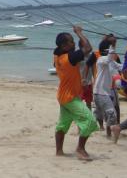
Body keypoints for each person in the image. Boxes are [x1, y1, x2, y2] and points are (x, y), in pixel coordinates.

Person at [53, 25, 98, 161]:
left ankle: (59, 151)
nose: (73, 43)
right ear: (64, 46)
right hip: (70, 98)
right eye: (71, 41)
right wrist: (79, 33)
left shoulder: (57, 56)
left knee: (63, 124)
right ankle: (80, 148)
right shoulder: (69, 58)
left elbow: (67, 51)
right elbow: (88, 48)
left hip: (63, 96)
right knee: (90, 121)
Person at [89, 39, 122, 137]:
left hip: (104, 93)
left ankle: (107, 133)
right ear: (105, 50)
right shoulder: (101, 60)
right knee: (111, 114)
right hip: (100, 93)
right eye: (110, 49)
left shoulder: (112, 62)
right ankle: (108, 133)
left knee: (103, 114)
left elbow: (121, 67)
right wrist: (113, 45)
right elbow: (108, 58)